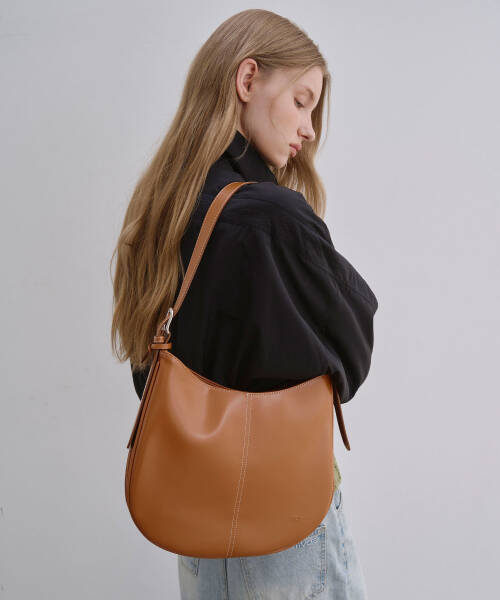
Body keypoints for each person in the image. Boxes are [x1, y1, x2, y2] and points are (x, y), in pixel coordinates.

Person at [110, 8, 378, 599]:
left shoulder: (163, 207)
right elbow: (353, 351)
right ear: (248, 78)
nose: (309, 129)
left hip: (197, 518)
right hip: (286, 520)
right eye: (302, 101)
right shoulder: (271, 215)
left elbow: (149, 371)